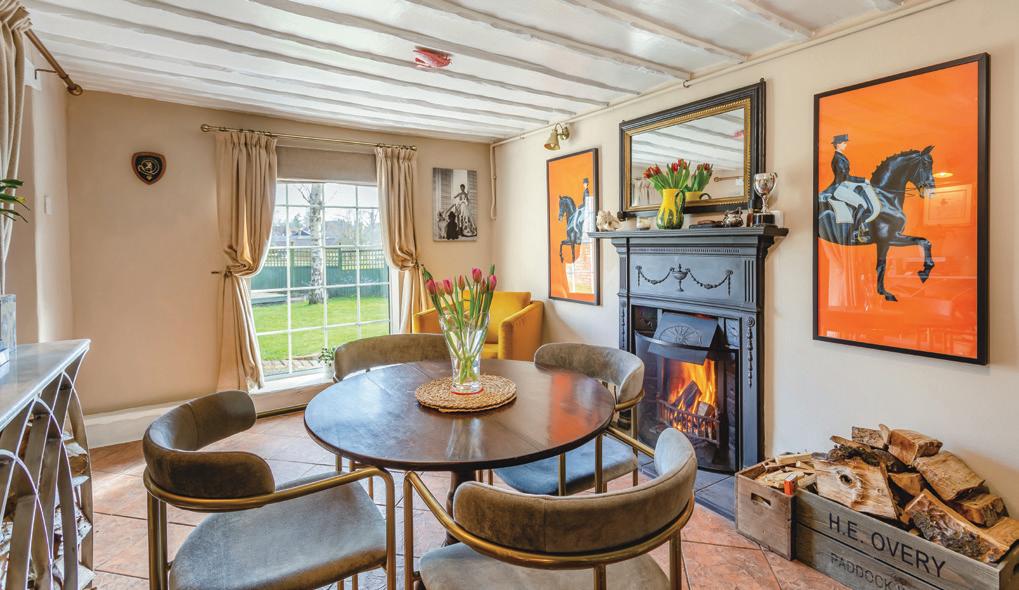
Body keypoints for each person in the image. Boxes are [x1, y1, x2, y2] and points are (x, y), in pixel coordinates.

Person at [826, 134, 880, 243]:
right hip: (839, 187)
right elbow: (845, 177)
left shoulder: (841, 156)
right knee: (862, 204)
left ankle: (863, 226)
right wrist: (863, 180)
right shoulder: (838, 159)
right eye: (844, 143)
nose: (845, 145)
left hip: (845, 184)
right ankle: (854, 232)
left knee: (864, 189)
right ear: (838, 144)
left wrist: (863, 183)